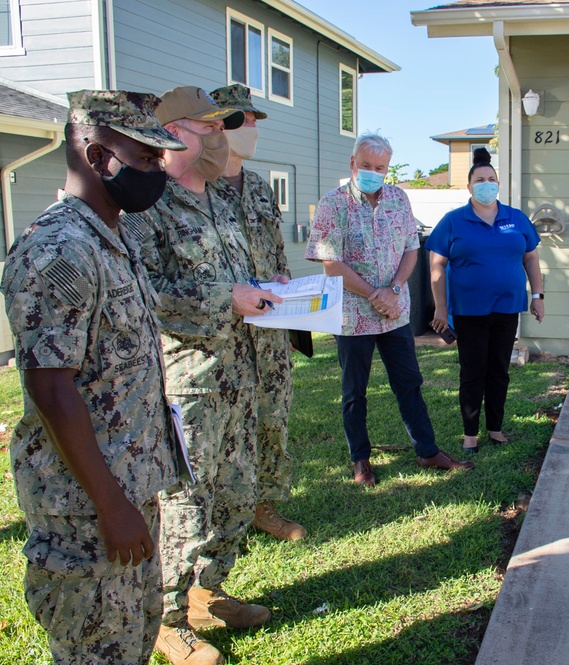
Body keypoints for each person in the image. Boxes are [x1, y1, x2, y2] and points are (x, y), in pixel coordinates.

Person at [0, 90, 186, 664]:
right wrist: (110, 504)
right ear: (99, 156)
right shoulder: (59, 248)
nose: (159, 170)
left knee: (132, 635)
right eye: (147, 157)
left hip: (128, 484)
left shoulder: (115, 235)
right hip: (84, 508)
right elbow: (50, 388)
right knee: (95, 648)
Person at [122, 86, 275, 665]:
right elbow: (145, 293)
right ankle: (163, 618)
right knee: (186, 504)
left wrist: (271, 297)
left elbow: (247, 277)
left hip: (240, 374)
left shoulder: (222, 199)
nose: (221, 135)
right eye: (209, 126)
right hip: (187, 381)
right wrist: (223, 297)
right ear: (175, 133)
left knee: (235, 496)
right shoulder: (147, 204)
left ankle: (206, 596)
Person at [305, 131, 474, 487]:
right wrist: (373, 294)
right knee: (355, 391)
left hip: (395, 311)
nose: (373, 172)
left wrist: (394, 290)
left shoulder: (399, 199)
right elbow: (330, 263)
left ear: (387, 169)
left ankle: (427, 451)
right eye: (366, 165)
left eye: (380, 167)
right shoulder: (332, 204)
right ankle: (360, 460)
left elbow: (412, 248)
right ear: (352, 163)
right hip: (353, 316)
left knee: (409, 383)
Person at [208, 83, 305, 542]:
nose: (253, 127)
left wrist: (283, 285)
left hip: (269, 331)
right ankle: (225, 519)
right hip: (223, 338)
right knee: (228, 435)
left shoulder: (262, 189)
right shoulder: (192, 189)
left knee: (272, 420)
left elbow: (275, 255)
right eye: (244, 119)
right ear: (219, 125)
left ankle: (265, 507)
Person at [426, 148, 545, 454]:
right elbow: (437, 264)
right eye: (480, 179)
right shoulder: (454, 221)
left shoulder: (515, 218)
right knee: (472, 371)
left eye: (491, 179)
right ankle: (469, 434)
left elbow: (531, 259)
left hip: (507, 308)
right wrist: (441, 307)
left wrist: (537, 296)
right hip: (469, 310)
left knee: (499, 371)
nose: (486, 184)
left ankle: (495, 427)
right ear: (469, 186)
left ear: (498, 184)